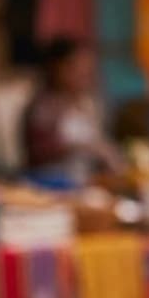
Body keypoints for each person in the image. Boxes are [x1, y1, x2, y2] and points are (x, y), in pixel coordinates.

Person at [23, 37, 124, 188]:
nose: (83, 75)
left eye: (87, 70)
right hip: (49, 186)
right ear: (57, 68)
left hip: (84, 184)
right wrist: (84, 147)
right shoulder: (44, 106)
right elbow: (39, 153)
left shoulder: (87, 104)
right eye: (76, 68)